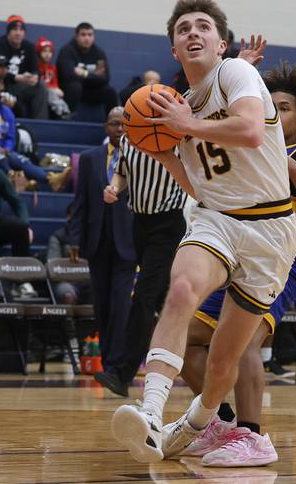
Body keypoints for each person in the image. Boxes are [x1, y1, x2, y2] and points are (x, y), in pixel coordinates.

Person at [110, 0, 296, 464]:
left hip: (271, 228)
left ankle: (201, 423)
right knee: (180, 291)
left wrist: (186, 124)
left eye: (203, 27)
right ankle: (151, 412)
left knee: (220, 360)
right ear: (174, 50)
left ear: (221, 43)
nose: (192, 33)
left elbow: (252, 130)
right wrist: (165, 153)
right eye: (183, 29)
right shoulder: (181, 107)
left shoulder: (237, 74)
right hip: (217, 219)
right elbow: (198, 183)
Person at [177, 61, 296, 466]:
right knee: (189, 338)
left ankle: (253, 434)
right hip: (233, 246)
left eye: (282, 108)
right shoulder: (245, 142)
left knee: (245, 342)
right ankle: (222, 424)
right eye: (269, 104)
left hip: (278, 253)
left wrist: (288, 162)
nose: (273, 112)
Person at [93, 102, 188, 397]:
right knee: (161, 303)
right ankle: (198, 366)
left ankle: (122, 373)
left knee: (143, 297)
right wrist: (113, 188)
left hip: (169, 223)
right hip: (140, 224)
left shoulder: (174, 137)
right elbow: (122, 172)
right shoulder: (127, 140)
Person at [68, 107, 136, 380]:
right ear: (105, 127)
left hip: (128, 242)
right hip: (97, 242)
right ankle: (107, 364)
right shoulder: (89, 159)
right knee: (102, 305)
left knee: (121, 304)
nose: (119, 128)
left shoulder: (139, 157)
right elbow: (80, 201)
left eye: (123, 124)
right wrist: (75, 237)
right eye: (113, 123)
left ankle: (118, 364)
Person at [0, 77, 64, 191]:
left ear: (2, 88)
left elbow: (11, 137)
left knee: (21, 160)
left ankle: (51, 179)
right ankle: (15, 181)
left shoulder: (6, 111)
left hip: (2, 149)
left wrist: (7, 148)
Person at [0, 15, 48, 119]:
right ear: (8, 32)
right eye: (14, 29)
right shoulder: (1, 44)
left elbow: (36, 68)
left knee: (40, 86)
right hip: (2, 84)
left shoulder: (28, 47)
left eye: (21, 30)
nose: (18, 33)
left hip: (19, 86)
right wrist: (16, 77)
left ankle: (41, 123)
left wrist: (34, 76)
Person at [56, 22, 119, 117]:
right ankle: (66, 116)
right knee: (75, 86)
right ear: (76, 37)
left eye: (90, 35)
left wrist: (84, 74)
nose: (87, 38)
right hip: (71, 90)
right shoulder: (67, 50)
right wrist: (93, 76)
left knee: (110, 91)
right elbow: (67, 75)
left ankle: (114, 121)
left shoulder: (99, 53)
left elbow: (104, 79)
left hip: (91, 91)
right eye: (83, 35)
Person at [35, 37, 71, 119]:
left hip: (52, 91)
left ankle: (65, 111)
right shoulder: (37, 67)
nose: (47, 54)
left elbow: (54, 82)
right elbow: (40, 82)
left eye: (50, 51)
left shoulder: (52, 68)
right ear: (39, 52)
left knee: (57, 93)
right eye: (44, 51)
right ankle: (61, 111)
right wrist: (53, 88)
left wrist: (56, 88)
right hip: (42, 91)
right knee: (51, 92)